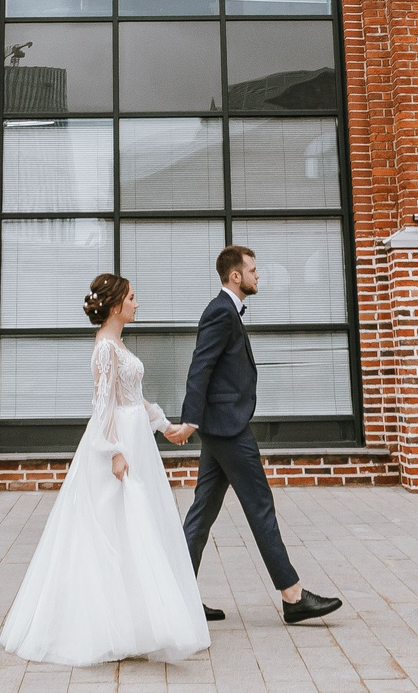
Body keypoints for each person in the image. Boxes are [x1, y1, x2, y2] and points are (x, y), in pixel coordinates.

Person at [0, 273, 210, 665]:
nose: (136, 303)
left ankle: (134, 622)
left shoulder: (118, 344)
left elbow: (134, 398)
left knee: (133, 528)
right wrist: (113, 451)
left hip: (136, 437)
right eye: (132, 297)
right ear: (115, 306)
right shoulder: (105, 349)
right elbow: (103, 406)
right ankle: (112, 626)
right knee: (117, 526)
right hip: (119, 443)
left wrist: (165, 427)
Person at [176, 244, 342, 625]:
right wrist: (190, 420)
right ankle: (293, 596)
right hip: (229, 429)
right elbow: (199, 367)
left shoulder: (227, 311)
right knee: (260, 506)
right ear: (236, 276)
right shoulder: (220, 311)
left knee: (202, 514)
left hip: (221, 427)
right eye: (253, 269)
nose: (258, 274)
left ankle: (177, 596)